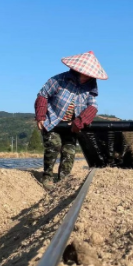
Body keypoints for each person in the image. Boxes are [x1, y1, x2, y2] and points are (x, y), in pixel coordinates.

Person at [35, 51, 107, 189]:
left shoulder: (90, 86)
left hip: (71, 125)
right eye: (85, 72)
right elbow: (43, 95)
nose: (87, 76)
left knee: (69, 151)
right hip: (52, 120)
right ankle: (47, 176)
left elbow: (92, 106)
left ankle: (63, 180)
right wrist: (40, 115)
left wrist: (80, 121)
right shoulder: (59, 80)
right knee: (54, 145)